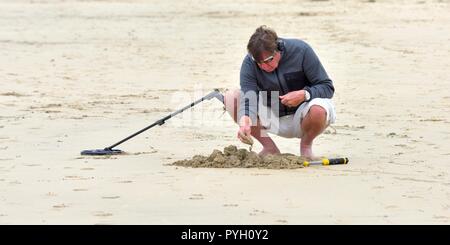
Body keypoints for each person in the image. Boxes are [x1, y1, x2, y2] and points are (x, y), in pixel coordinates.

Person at [223, 25, 336, 159]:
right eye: (259, 63)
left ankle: (306, 146)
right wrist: (245, 121)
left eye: (268, 61)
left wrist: (303, 94)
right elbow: (249, 99)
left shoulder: (301, 50)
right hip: (271, 116)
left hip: (303, 115)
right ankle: (270, 148)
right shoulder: (249, 62)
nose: (264, 67)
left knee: (319, 109)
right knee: (231, 97)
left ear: (278, 49)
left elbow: (327, 87)